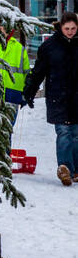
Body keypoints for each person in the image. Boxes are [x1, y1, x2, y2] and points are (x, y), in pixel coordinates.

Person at [22, 12, 78, 186]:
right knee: (64, 132)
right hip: (58, 96)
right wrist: (30, 90)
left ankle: (75, 169)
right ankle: (65, 168)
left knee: (75, 134)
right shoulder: (49, 47)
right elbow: (39, 71)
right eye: (67, 28)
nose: (70, 32)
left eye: (73, 28)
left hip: (77, 97)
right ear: (60, 27)